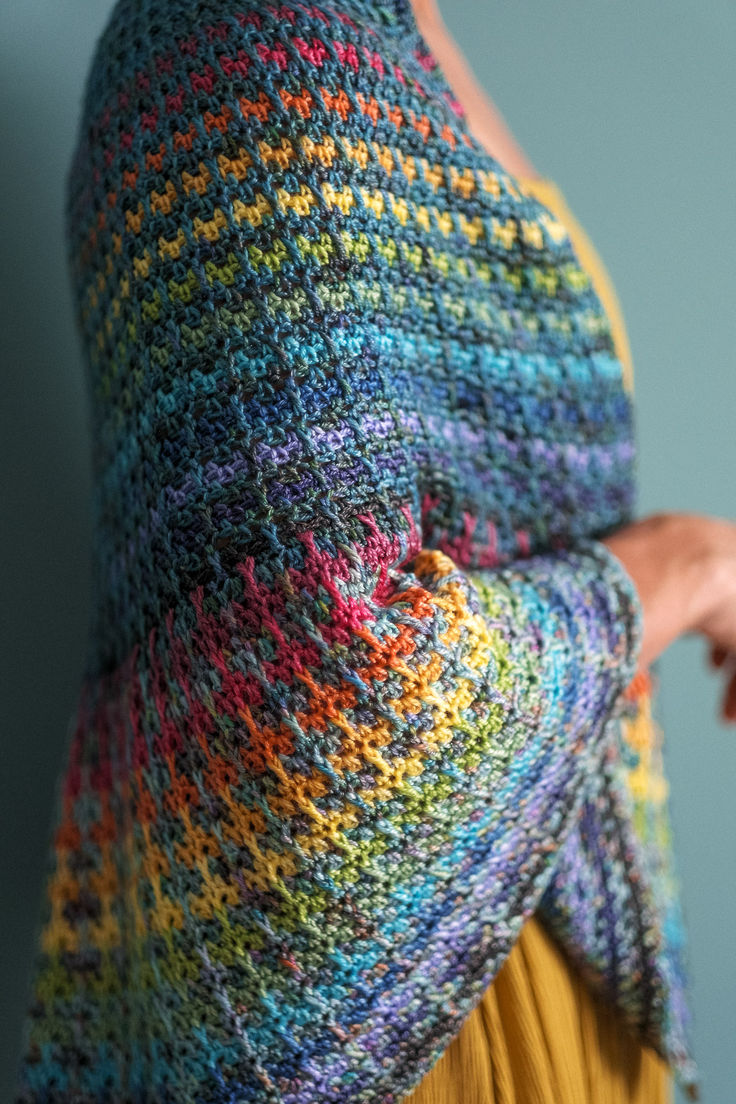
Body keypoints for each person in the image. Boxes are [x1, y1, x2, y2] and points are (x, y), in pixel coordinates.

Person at [13, 0, 736, 1101]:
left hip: (538, 949)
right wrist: (674, 571)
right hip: (400, 1024)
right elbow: (318, 688)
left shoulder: (402, 29)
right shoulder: (246, 34)